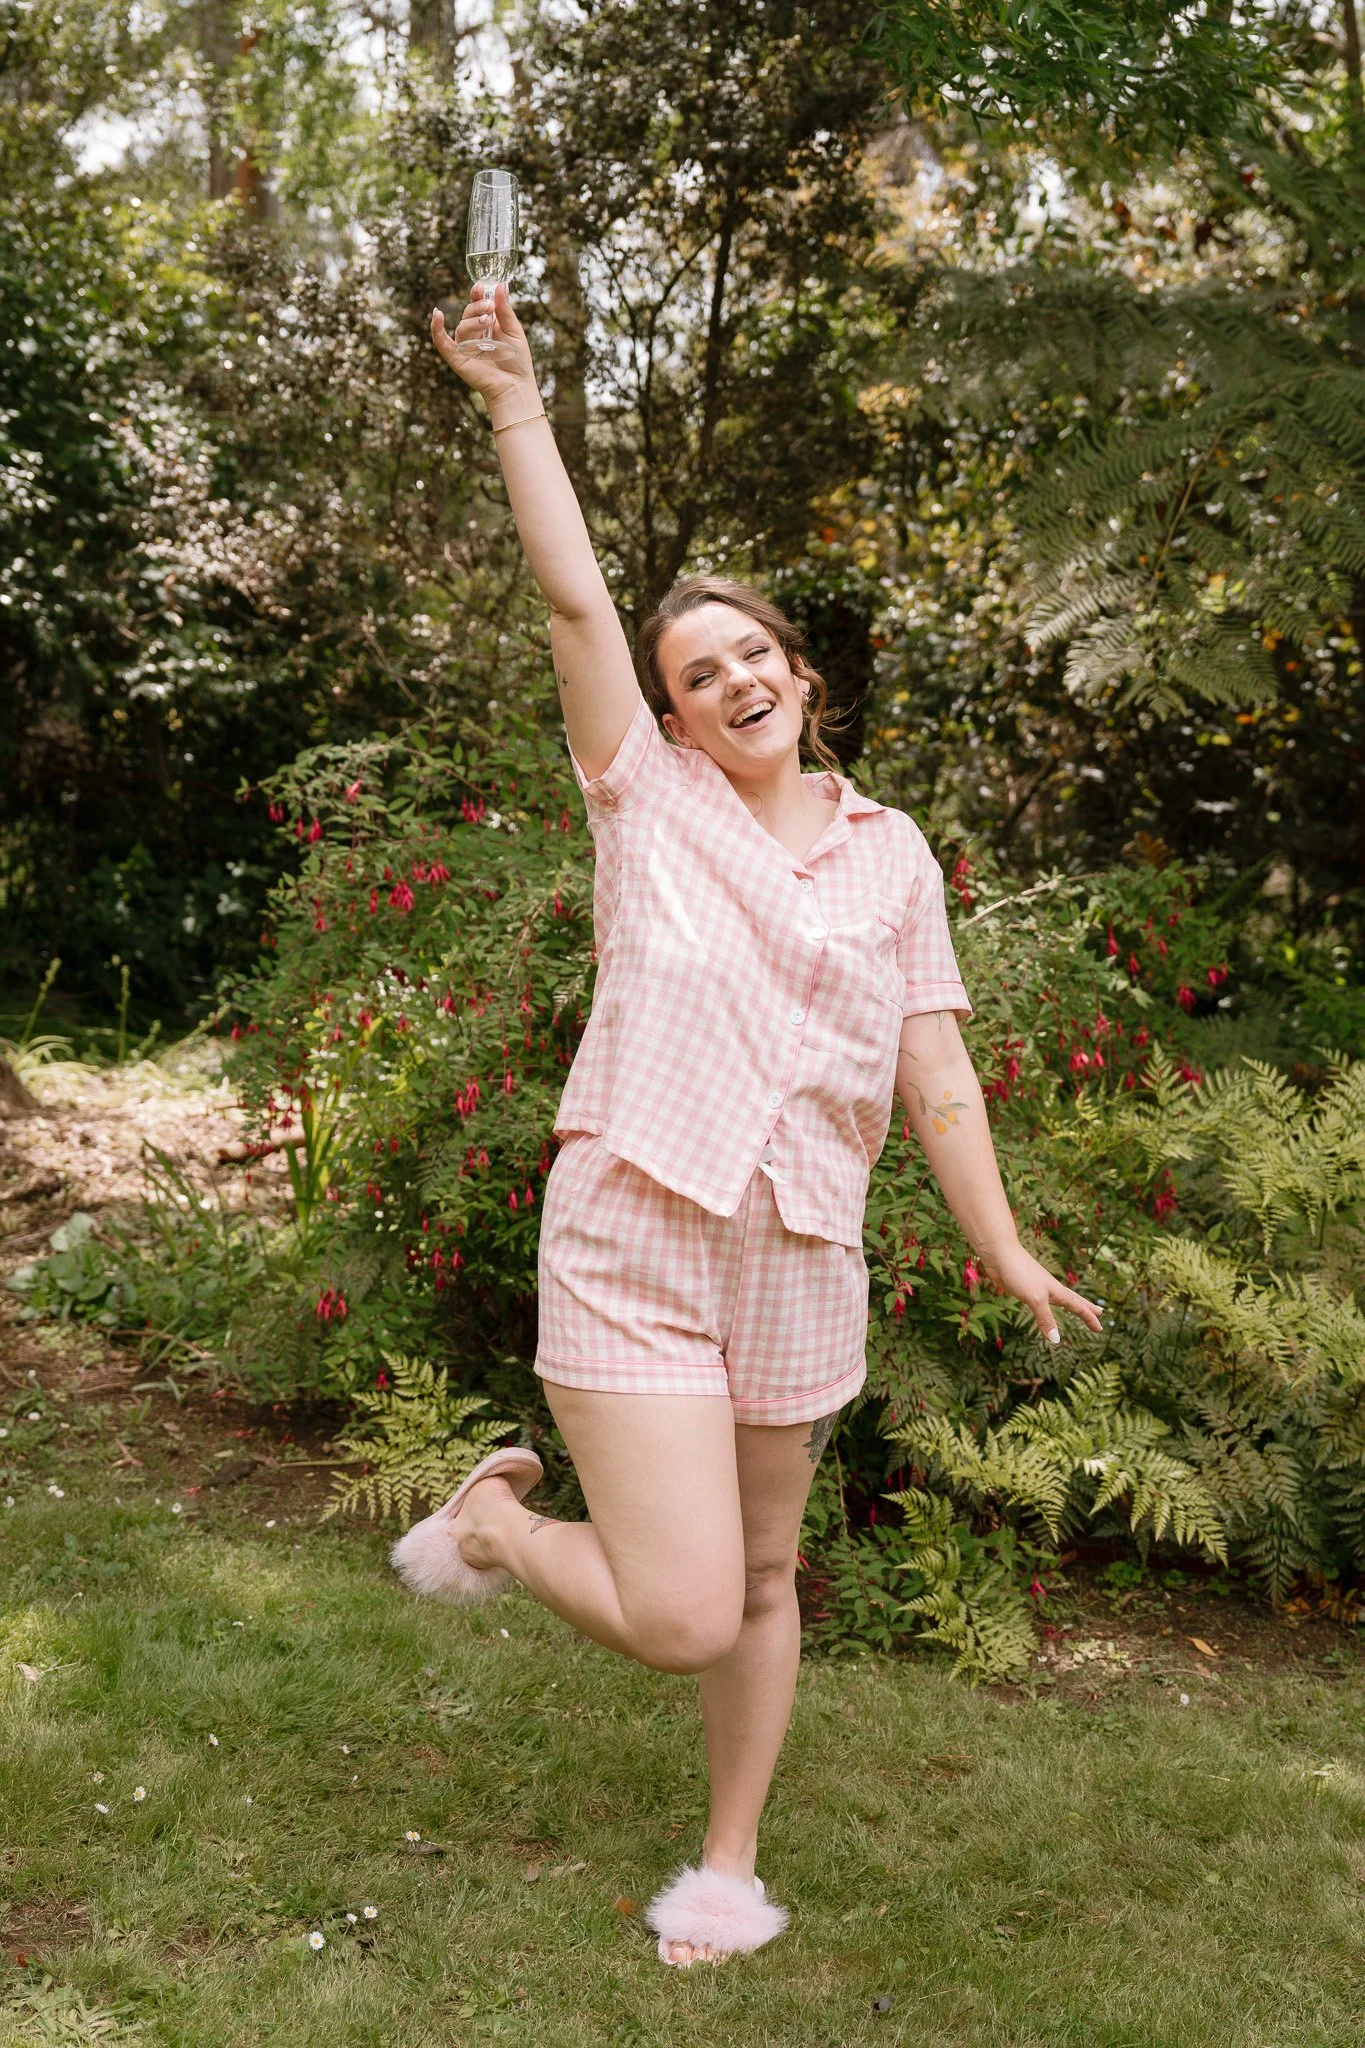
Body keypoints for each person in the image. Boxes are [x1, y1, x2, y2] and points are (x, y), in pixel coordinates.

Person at [392, 279, 1102, 1969]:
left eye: (751, 655)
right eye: (696, 675)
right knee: (684, 1608)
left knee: (767, 1578)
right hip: (638, 1229)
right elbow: (574, 605)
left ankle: (727, 1868)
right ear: (677, 713)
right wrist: (512, 402)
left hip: (801, 1248)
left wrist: (999, 1241)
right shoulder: (647, 809)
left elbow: (934, 1067)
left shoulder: (895, 855)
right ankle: (494, 1520)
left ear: (800, 671)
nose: (731, 683)